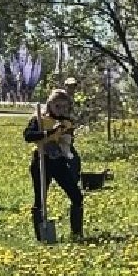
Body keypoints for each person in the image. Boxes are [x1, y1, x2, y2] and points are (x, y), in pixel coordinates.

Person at [24, 89, 85, 240]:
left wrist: (67, 135)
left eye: (65, 107)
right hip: (41, 161)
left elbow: (68, 142)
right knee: (40, 199)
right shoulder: (39, 118)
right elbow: (28, 136)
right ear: (50, 105)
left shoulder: (66, 121)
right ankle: (42, 235)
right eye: (58, 106)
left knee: (77, 196)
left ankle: (76, 234)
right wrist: (48, 133)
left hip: (58, 162)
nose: (61, 110)